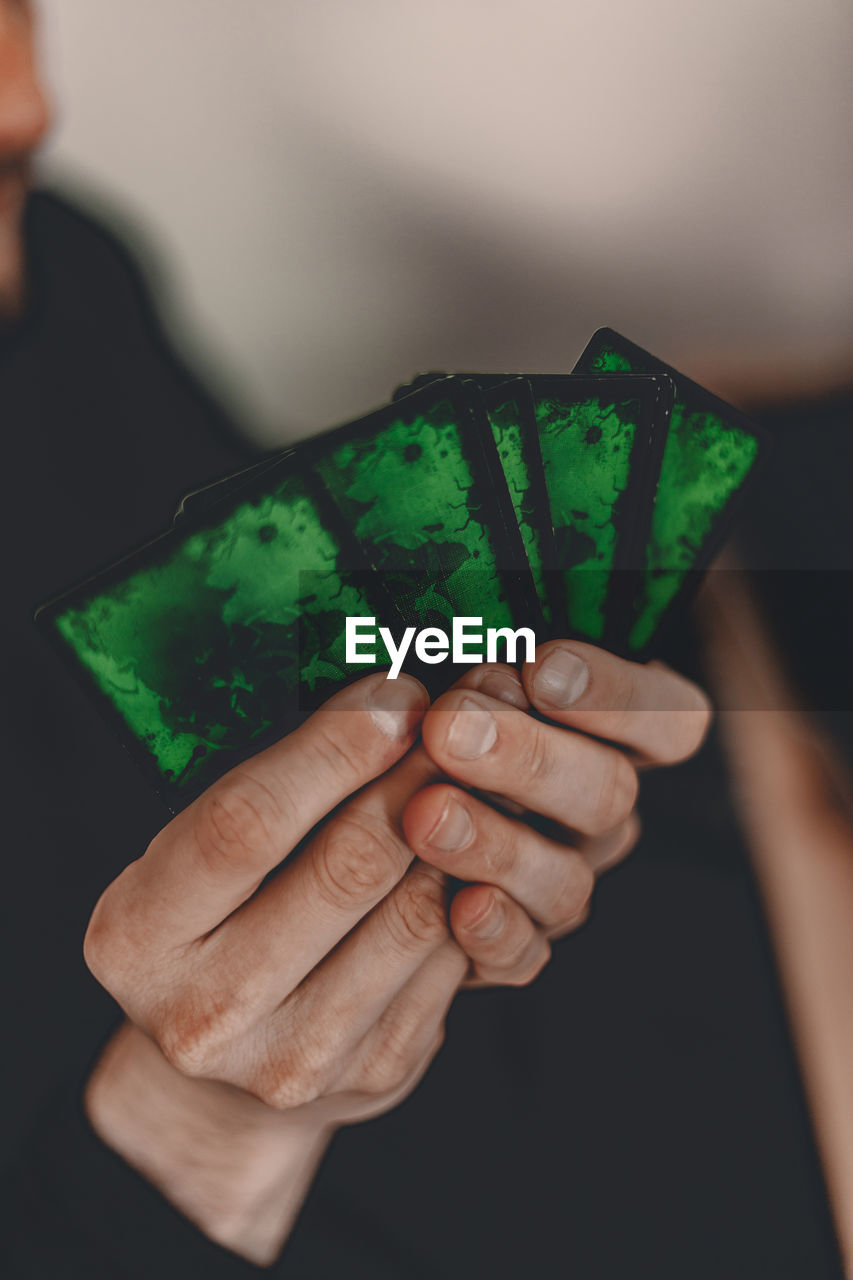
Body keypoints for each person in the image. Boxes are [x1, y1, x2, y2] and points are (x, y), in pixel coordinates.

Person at [2, 3, 852, 1277]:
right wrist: (188, 1139)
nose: (28, 101)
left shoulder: (51, 269)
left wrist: (558, 655)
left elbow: (275, 576)